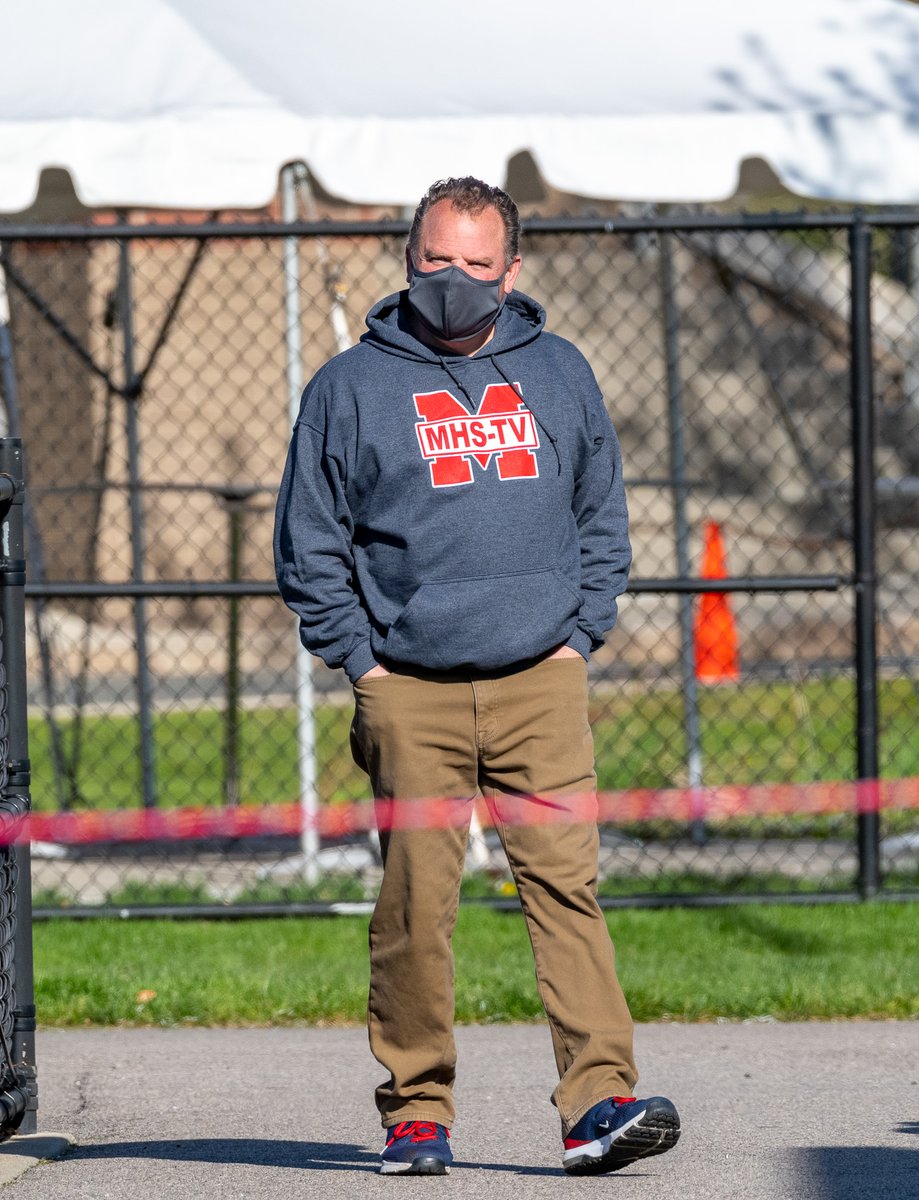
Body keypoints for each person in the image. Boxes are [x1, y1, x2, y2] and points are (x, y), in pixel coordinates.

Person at [274, 176, 680, 1176]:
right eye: (434, 261)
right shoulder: (349, 386)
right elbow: (309, 545)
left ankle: (599, 1106)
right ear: (408, 258)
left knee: (567, 895)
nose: (452, 281)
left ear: (513, 270)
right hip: (408, 689)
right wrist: (363, 662)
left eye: (476, 264)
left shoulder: (560, 371)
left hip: (541, 678)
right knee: (416, 908)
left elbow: (601, 515)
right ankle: (417, 1113)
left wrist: (579, 635)